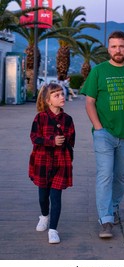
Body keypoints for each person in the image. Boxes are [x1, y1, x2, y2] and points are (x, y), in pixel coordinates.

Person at [81, 31, 124, 239]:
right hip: (105, 133)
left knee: (120, 176)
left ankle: (113, 207)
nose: (117, 50)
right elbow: (89, 102)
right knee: (105, 174)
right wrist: (98, 127)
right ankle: (106, 219)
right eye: (114, 46)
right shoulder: (99, 71)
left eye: (121, 46)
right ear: (108, 48)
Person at [29, 83, 75, 244]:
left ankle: (53, 230)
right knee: (43, 197)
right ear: (48, 100)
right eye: (57, 95)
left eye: (62, 94)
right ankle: (44, 216)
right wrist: (51, 141)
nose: (62, 97)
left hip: (61, 163)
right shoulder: (40, 118)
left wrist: (68, 154)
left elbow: (71, 141)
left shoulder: (67, 119)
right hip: (42, 162)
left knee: (56, 198)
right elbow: (34, 138)